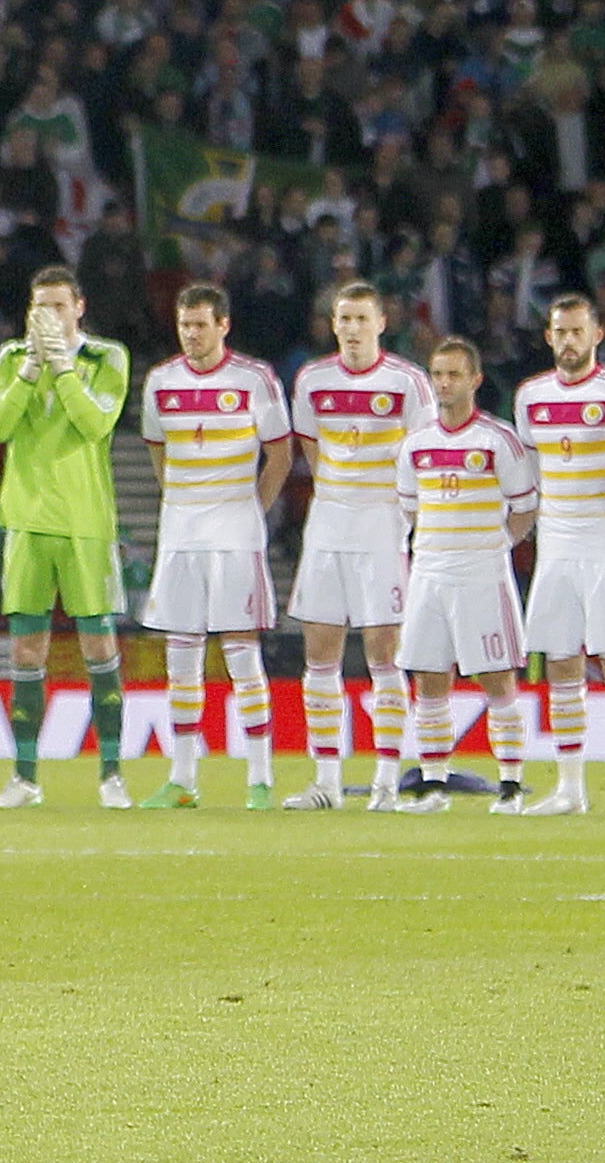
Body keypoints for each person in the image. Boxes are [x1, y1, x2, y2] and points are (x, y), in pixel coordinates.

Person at [135, 283, 291, 809]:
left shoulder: (254, 379)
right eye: (185, 325)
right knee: (181, 657)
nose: (192, 334)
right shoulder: (161, 381)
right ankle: (183, 779)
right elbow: (158, 452)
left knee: (242, 654)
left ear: (223, 325)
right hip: (181, 536)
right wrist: (182, 502)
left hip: (234, 537)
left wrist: (250, 511)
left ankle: (260, 779)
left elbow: (281, 455)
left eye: (201, 324)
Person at [0, 267, 130, 808]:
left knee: (99, 646)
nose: (48, 316)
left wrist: (63, 367)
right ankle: (24, 779)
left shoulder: (107, 357)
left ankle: (112, 776)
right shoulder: (10, 358)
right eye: (39, 307)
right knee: (26, 650)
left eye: (58, 306)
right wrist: (31, 370)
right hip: (26, 521)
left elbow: (95, 424)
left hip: (86, 522)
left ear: (79, 308)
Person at [511, 293, 605, 815]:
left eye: (578, 331)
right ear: (548, 337)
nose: (569, 341)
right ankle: (570, 788)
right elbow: (530, 474)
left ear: (597, 335)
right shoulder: (530, 396)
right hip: (556, 543)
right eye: (561, 332)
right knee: (561, 661)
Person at [287, 280, 427, 809]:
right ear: (333, 324)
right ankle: (326, 783)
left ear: (381, 324)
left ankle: (386, 783)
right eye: (343, 319)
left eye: (361, 319)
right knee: (319, 655)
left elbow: (421, 455)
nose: (351, 328)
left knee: (383, 656)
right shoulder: (312, 379)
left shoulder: (408, 382)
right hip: (328, 526)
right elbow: (311, 447)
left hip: (382, 528)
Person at [393, 339, 536, 813]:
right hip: (430, 572)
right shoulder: (415, 443)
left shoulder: (498, 440)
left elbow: (525, 508)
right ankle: (434, 784)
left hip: (482, 574)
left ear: (475, 380)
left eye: (454, 375)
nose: (444, 384)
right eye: (437, 374)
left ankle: (511, 786)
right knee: (429, 678)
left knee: (497, 678)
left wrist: (493, 547)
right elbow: (410, 508)